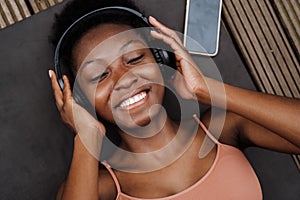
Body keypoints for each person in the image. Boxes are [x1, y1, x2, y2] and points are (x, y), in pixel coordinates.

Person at [48, 0, 300, 199]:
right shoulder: (101, 186)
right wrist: (85, 137)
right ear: (80, 99)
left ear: (162, 62)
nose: (124, 79)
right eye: (100, 75)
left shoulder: (222, 129)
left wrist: (208, 89)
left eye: (135, 59)